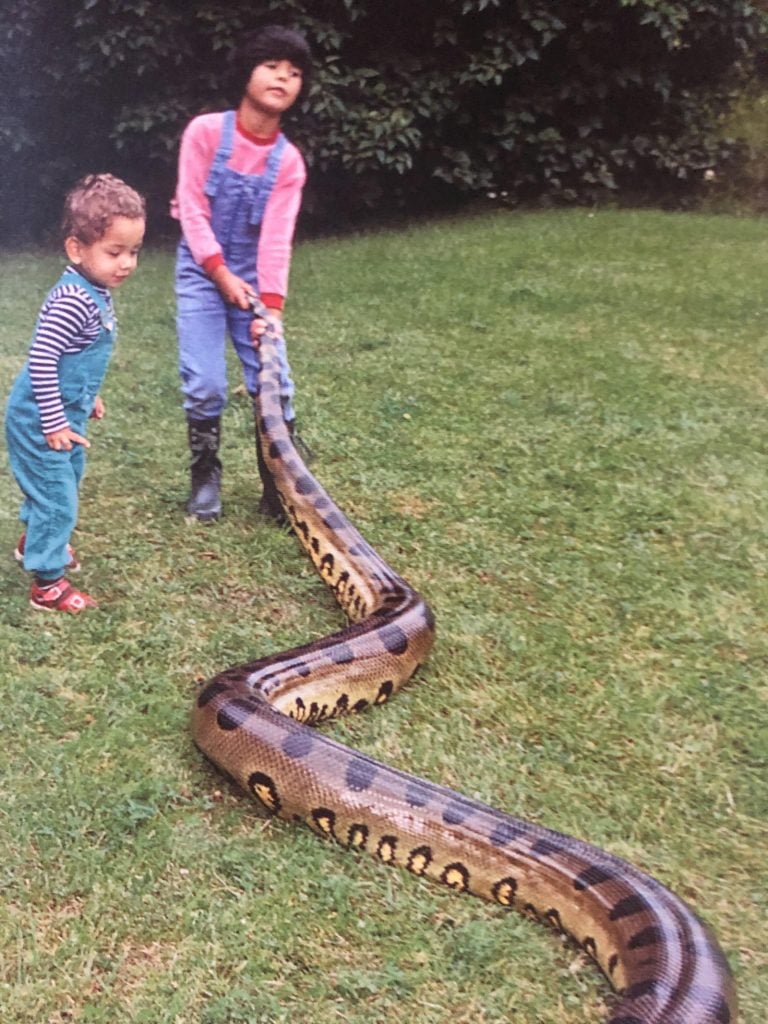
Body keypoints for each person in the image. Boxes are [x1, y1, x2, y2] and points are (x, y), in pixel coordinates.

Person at [171, 23, 313, 523]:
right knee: (206, 382)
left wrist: (269, 310)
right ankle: (205, 475)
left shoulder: (288, 163)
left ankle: (279, 485)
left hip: (252, 281)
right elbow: (190, 208)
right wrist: (218, 272)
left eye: (294, 73)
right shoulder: (206, 133)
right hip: (200, 271)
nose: (283, 78)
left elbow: (277, 239)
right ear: (247, 71)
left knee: (273, 381)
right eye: (272, 65)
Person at [5, 174, 146, 614]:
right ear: (76, 249)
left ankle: (36, 540)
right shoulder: (73, 299)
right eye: (114, 252)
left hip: (68, 412)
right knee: (57, 494)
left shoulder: (96, 291)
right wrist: (53, 421)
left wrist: (89, 395)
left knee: (64, 481)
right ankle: (46, 584)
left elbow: (77, 357)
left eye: (134, 252)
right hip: (41, 418)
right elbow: (44, 360)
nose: (126, 263)